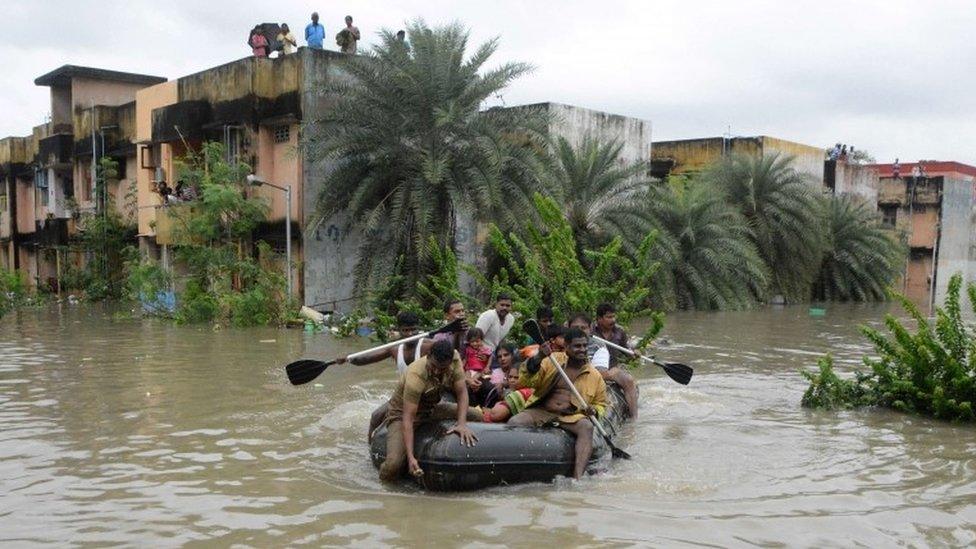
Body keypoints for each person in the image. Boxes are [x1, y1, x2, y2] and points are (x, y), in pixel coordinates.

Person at [510, 328, 607, 479]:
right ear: (566, 347)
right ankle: (519, 471)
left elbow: (601, 404)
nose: (582, 350)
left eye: (584, 346)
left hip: (570, 416)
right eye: (577, 346)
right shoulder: (552, 360)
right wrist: (539, 357)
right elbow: (526, 380)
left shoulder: (595, 376)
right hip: (542, 410)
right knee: (515, 421)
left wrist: (594, 410)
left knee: (586, 426)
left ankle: (578, 478)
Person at [377, 339, 480, 481]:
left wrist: (461, 424)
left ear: (450, 362)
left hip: (431, 408)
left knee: (476, 415)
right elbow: (408, 418)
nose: (437, 371)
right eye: (434, 366)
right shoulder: (416, 375)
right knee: (393, 464)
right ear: (428, 355)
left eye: (443, 368)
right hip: (402, 415)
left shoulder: (455, 358)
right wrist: (411, 457)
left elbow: (462, 392)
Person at [337, 311, 433, 440]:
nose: (410, 334)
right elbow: (368, 359)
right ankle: (370, 446)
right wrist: (349, 359)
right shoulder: (394, 348)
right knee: (376, 416)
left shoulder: (429, 345)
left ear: (419, 329)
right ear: (399, 330)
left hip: (426, 394)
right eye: (405, 330)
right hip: (405, 395)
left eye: (413, 330)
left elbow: (451, 351)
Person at [592, 303, 639, 419]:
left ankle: (634, 418)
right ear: (599, 319)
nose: (613, 320)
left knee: (628, 380)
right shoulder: (590, 331)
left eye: (614, 316)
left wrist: (634, 353)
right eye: (609, 317)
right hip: (593, 370)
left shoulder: (620, 332)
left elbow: (627, 350)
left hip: (612, 370)